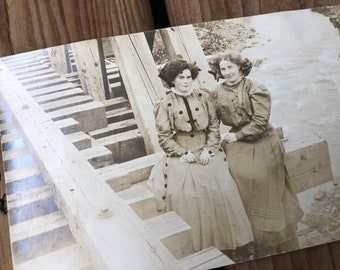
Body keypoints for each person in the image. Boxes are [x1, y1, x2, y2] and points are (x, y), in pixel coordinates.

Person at [149, 59, 254, 259]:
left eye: (189, 77)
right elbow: (163, 137)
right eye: (181, 78)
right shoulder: (164, 104)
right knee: (183, 193)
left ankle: (235, 242)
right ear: (173, 80)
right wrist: (182, 152)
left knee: (224, 187)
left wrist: (210, 149)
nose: (187, 82)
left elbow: (214, 126)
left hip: (207, 149)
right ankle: (199, 247)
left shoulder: (204, 96)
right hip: (182, 153)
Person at [208, 51, 304, 258]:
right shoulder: (216, 93)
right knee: (235, 174)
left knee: (261, 177)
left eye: (230, 68)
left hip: (263, 139)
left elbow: (260, 122)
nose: (227, 73)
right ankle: (254, 238)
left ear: (240, 68)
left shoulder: (256, 88)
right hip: (237, 141)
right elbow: (212, 121)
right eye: (223, 69)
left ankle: (278, 236)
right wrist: (214, 142)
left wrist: (237, 136)